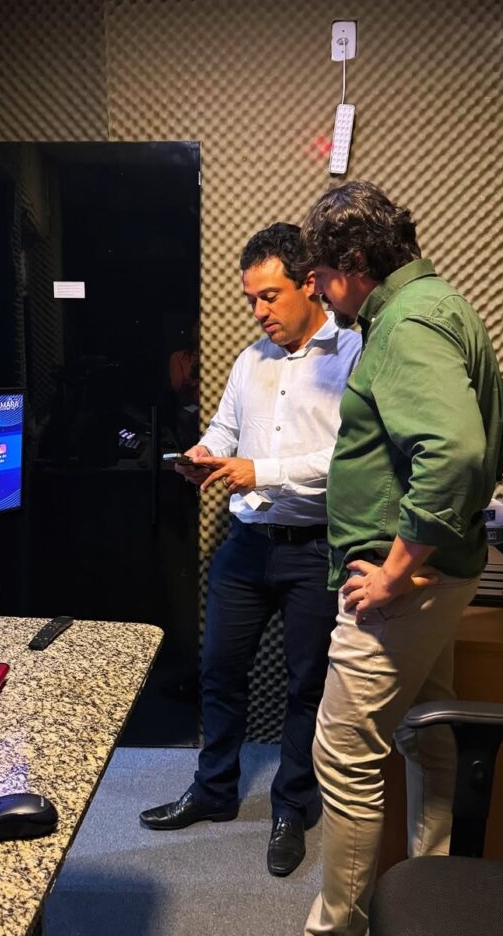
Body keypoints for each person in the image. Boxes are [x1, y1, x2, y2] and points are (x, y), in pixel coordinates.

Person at [298, 180, 503, 935]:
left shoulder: (405, 322)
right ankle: (436, 898)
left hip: (401, 586)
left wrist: (399, 565)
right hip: (435, 573)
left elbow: (456, 451)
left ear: (355, 263)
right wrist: (444, 534)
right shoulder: (443, 303)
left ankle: (338, 929)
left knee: (344, 754)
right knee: (429, 734)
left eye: (321, 276)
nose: (317, 292)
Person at [139, 222, 362, 876]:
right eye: (251, 300)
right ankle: (213, 791)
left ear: (310, 284)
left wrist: (258, 471)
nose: (259, 312)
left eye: (270, 296)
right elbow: (224, 428)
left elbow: (349, 461)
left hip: (316, 548)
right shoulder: (249, 360)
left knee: (306, 686)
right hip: (246, 545)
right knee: (217, 671)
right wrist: (206, 454)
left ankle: (292, 806)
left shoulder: (354, 354)